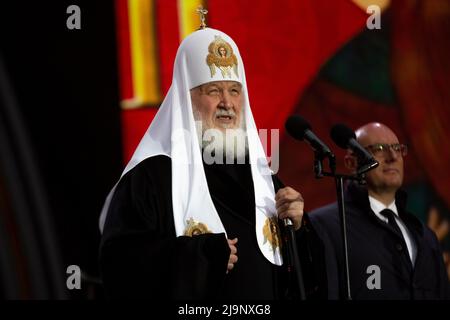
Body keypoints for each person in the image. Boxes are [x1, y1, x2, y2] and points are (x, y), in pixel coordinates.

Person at [98, 26, 308, 300]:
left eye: (234, 90)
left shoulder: (265, 179)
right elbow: (120, 266)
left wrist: (300, 228)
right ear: (186, 100)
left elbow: (303, 280)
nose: (227, 103)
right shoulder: (151, 178)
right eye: (213, 91)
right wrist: (199, 256)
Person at [309, 122, 450, 299]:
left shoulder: (426, 236)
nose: (392, 156)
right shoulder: (325, 226)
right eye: (379, 149)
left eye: (398, 148)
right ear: (351, 163)